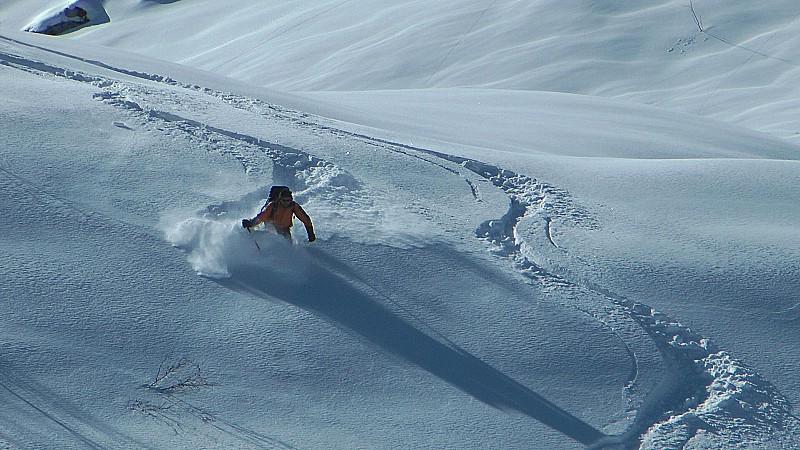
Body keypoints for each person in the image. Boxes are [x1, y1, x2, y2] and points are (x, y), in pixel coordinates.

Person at [242, 188, 316, 242]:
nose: (286, 202)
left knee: (287, 244)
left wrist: (311, 235)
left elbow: (306, 220)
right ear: (280, 199)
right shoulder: (273, 205)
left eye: (288, 200)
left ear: (291, 200)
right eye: (284, 200)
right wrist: (251, 223)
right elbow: (262, 216)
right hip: (271, 224)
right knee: (272, 239)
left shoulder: (294, 206)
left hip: (285, 228)